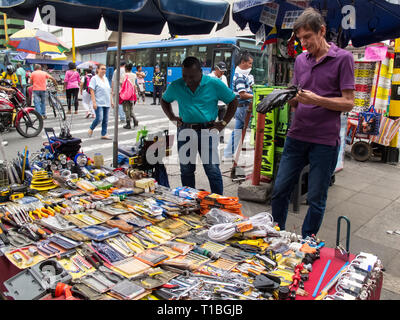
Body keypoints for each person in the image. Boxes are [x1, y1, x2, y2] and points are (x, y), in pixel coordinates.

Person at [271, 8, 355, 238]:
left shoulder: (343, 59)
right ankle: (275, 235)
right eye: (300, 39)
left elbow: (348, 102)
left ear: (322, 31)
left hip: (325, 141)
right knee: (279, 191)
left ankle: (307, 242)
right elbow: (296, 98)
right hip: (296, 135)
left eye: (308, 37)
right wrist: (286, 98)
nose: (304, 43)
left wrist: (317, 99)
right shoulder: (300, 60)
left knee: (316, 198)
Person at [161, 56, 238, 195]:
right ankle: (189, 200)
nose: (188, 80)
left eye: (192, 76)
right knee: (186, 170)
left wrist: (223, 123)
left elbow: (233, 101)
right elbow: (164, 100)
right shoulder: (177, 85)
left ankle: (218, 202)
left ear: (201, 72)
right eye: (185, 76)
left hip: (207, 131)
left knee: (212, 169)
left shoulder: (214, 84)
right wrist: (172, 117)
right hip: (185, 130)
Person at [223, 52, 254, 161]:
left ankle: (227, 154)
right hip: (244, 108)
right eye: (249, 63)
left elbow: (249, 88)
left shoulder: (245, 75)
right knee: (257, 129)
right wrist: (256, 96)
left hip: (241, 108)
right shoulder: (240, 77)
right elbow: (243, 94)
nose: (251, 66)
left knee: (237, 132)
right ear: (243, 62)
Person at [88, 64, 113, 140]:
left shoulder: (106, 78)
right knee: (99, 118)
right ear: (98, 69)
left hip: (107, 101)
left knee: (105, 119)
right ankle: (91, 128)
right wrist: (94, 102)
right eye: (102, 69)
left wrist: (111, 101)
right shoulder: (94, 78)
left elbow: (109, 91)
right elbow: (91, 90)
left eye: (105, 69)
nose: (104, 71)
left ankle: (104, 134)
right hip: (99, 102)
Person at [209, 61, 229, 143]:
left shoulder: (224, 77)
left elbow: (226, 89)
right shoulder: (209, 77)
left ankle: (221, 138)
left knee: (222, 122)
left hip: (222, 104)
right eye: (221, 71)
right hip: (213, 105)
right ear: (216, 69)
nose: (222, 73)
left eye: (223, 71)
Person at [121, 63, 138, 129]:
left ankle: (128, 123)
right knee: (131, 108)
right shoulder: (134, 75)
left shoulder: (123, 75)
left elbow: (121, 84)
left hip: (125, 94)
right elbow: (134, 84)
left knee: (126, 109)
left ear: (125, 68)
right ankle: (135, 120)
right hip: (132, 94)